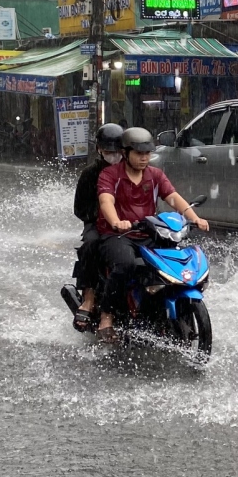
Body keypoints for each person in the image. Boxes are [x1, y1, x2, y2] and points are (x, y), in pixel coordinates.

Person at [93, 126, 209, 340]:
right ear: (125, 153)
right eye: (139, 153)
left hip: (149, 233)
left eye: (147, 153)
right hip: (117, 235)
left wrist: (195, 218)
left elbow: (173, 197)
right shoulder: (109, 175)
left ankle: (160, 309)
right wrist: (117, 222)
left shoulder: (155, 175)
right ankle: (106, 315)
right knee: (126, 264)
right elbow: (105, 201)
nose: (144, 158)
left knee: (172, 264)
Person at [70, 123, 125, 332]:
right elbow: (80, 208)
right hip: (97, 224)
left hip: (128, 224)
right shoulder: (89, 174)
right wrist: (102, 216)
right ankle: (89, 297)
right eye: (109, 152)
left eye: (117, 152)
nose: (114, 156)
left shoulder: (130, 170)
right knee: (91, 244)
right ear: (100, 150)